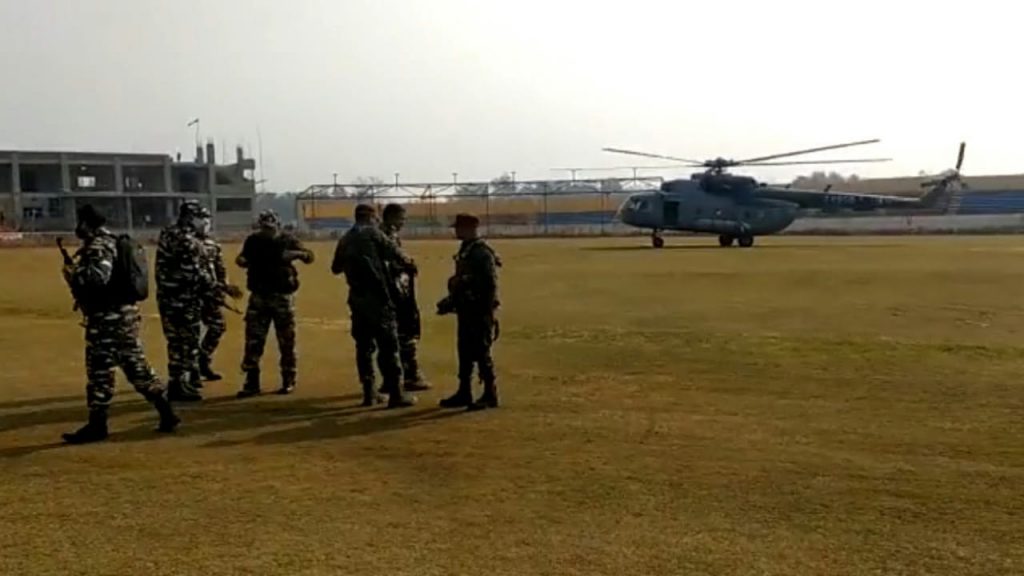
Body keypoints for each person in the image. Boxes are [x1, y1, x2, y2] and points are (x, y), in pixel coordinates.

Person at [61, 204, 179, 444]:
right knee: (129, 367)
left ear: (86, 223)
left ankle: (99, 424)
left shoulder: (99, 246)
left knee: (104, 370)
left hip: (109, 319)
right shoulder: (112, 241)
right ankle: (165, 412)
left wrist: (73, 274)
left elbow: (98, 278)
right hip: (121, 316)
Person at [331, 203, 417, 408]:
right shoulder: (373, 234)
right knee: (388, 346)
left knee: (364, 347)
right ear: (371, 217)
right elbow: (396, 254)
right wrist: (409, 263)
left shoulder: (346, 238)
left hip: (357, 298)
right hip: (378, 298)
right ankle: (396, 393)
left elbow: (335, 268)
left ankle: (369, 392)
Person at [235, 209, 314, 397]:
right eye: (264, 227)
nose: (267, 231)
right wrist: (242, 260)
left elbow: (309, 257)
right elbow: (242, 258)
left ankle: (288, 379)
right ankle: (251, 382)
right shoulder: (253, 241)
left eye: (270, 227)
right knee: (253, 342)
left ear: (278, 225)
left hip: (282, 297)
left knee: (286, 341)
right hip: (259, 297)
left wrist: (296, 254)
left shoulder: (288, 240)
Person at [436, 213, 502, 411]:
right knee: (465, 351)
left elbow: (489, 285)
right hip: (466, 309)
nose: (456, 231)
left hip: (479, 310)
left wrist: (485, 311)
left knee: (481, 352)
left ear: (470, 228)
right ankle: (464, 391)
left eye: (459, 227)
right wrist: (452, 300)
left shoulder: (481, 252)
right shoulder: (467, 249)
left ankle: (490, 393)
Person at [155, 200, 215, 402]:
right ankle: (177, 385)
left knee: (175, 342)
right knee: (187, 342)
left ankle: (178, 382)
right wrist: (215, 287)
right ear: (191, 218)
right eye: (200, 217)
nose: (203, 222)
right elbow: (194, 272)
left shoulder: (167, 233)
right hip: (183, 300)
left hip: (167, 297)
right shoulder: (186, 239)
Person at [379, 203, 430, 392]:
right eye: (401, 218)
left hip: (388, 292)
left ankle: (393, 378)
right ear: (392, 218)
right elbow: (391, 263)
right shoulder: (386, 236)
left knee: (390, 337)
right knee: (403, 333)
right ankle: (409, 375)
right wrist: (407, 265)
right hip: (395, 293)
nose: (403, 222)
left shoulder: (381, 234)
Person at [196, 210, 242, 382]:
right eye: (201, 220)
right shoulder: (185, 243)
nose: (204, 224)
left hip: (211, 294)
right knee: (190, 333)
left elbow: (220, 269)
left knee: (217, 326)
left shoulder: (213, 245)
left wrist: (224, 288)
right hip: (191, 295)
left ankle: (203, 360)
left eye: (207, 220)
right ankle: (189, 371)